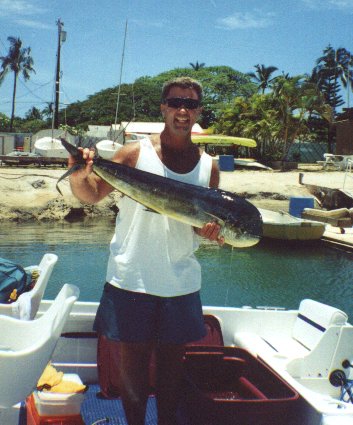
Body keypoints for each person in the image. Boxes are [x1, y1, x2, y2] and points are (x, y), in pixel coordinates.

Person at [68, 77, 223, 425]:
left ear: (198, 111)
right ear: (163, 107)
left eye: (191, 104)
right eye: (175, 102)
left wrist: (212, 232)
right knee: (133, 365)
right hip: (131, 277)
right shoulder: (135, 153)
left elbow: (200, 222)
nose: (183, 110)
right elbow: (91, 193)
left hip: (180, 282)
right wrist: (78, 171)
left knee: (171, 366)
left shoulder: (208, 167)